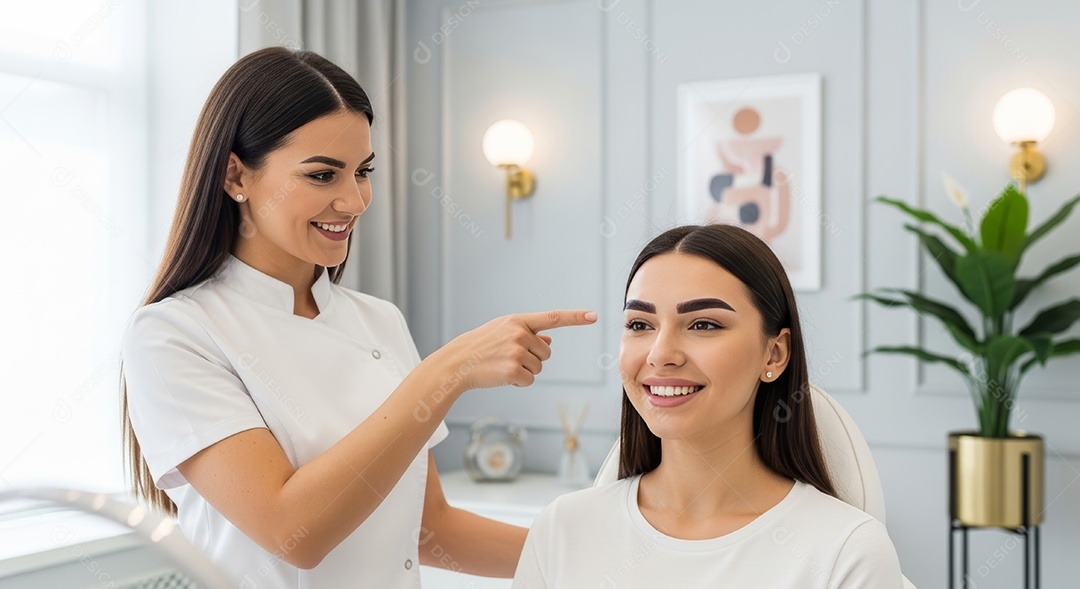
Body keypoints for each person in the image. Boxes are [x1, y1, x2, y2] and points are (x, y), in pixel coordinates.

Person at [119, 46, 596, 588]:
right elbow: (293, 530)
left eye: (362, 172)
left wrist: (596, 558)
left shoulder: (378, 320)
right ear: (236, 176)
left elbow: (426, 528)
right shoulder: (173, 334)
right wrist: (449, 372)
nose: (354, 200)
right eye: (323, 175)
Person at [511, 224, 903, 588]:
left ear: (775, 354)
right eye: (640, 325)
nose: (661, 354)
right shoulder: (562, 529)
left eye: (704, 325)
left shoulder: (846, 552)